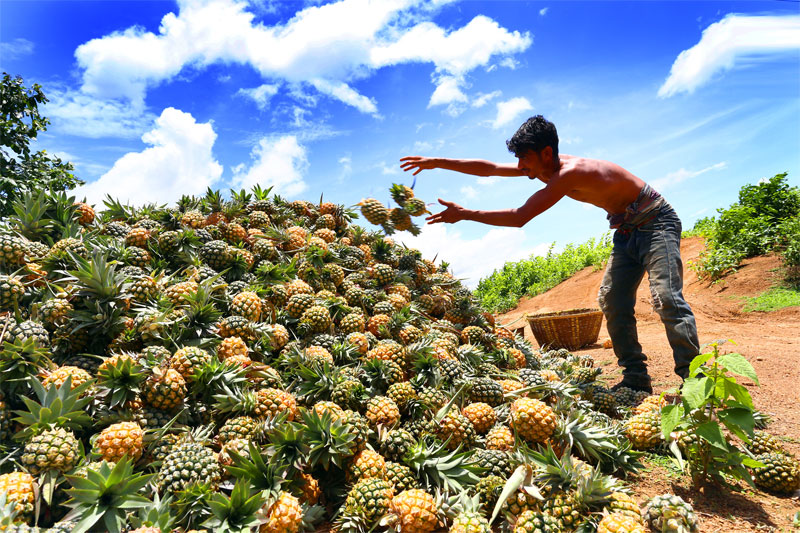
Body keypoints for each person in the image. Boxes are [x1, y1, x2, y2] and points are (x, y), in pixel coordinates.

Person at [400, 115, 700, 392]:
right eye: (517, 158)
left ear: (546, 153)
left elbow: (520, 217)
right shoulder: (543, 167)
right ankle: (635, 377)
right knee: (611, 299)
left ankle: (695, 381)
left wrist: (466, 214)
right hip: (626, 230)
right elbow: (490, 169)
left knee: (666, 297)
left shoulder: (568, 173)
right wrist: (437, 161)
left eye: (524, 158)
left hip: (656, 222)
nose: (519, 166)